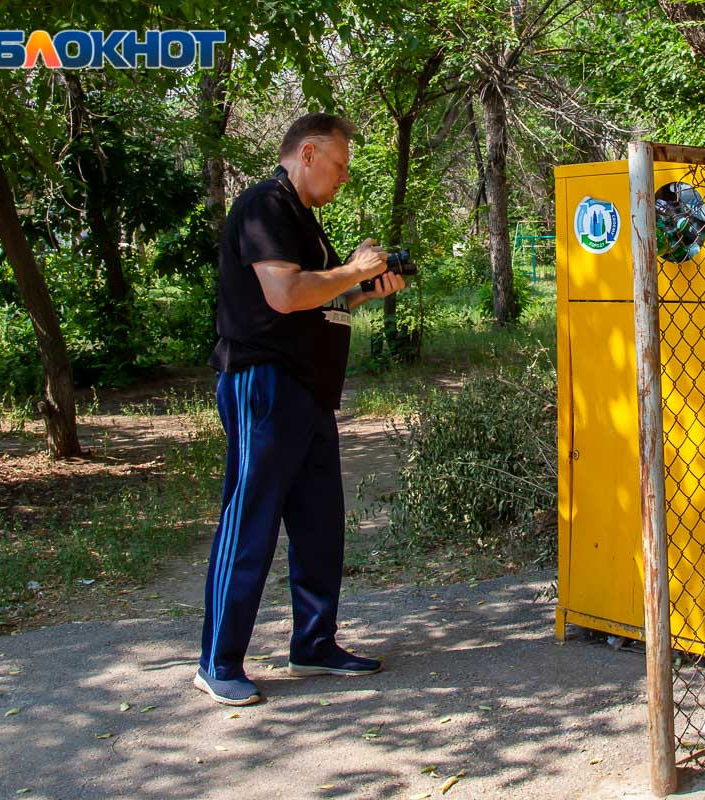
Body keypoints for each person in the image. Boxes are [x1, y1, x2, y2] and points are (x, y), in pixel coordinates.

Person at [194, 113, 406, 706]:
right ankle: (218, 661)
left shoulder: (305, 222)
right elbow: (285, 294)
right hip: (264, 382)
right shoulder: (265, 205)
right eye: (338, 166)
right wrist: (350, 271)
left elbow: (319, 298)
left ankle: (313, 644)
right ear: (307, 153)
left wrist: (364, 288)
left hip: (310, 393)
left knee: (319, 523)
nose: (342, 178)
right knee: (252, 516)